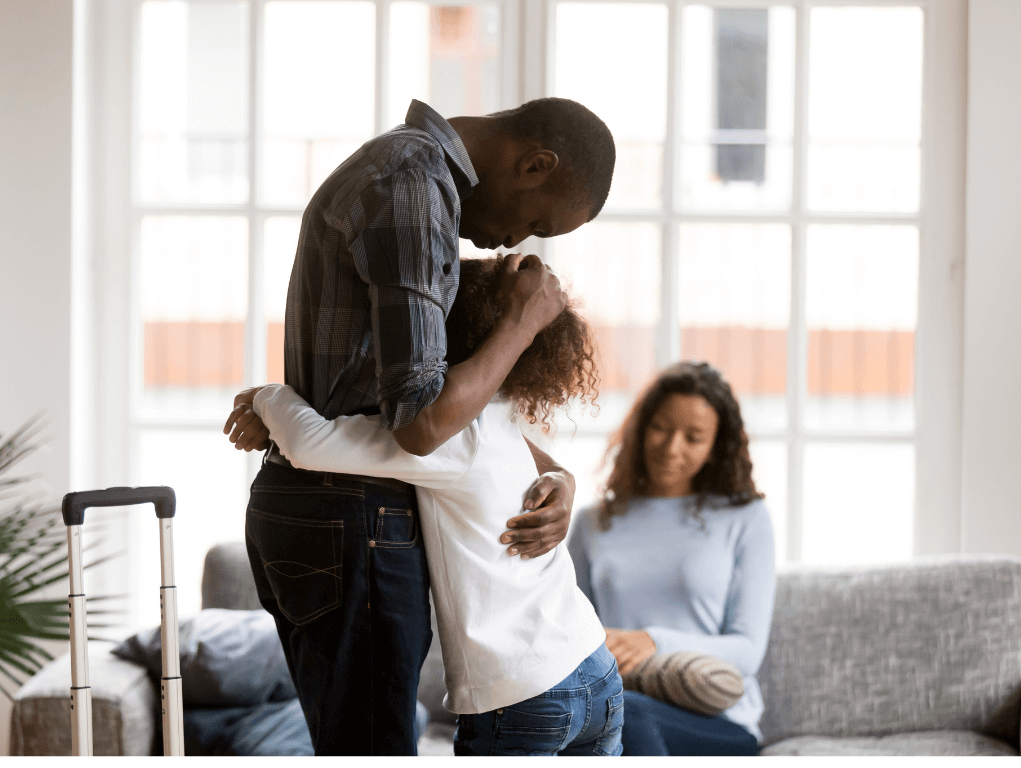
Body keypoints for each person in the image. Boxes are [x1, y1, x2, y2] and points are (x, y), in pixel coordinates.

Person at [223, 98, 615, 755]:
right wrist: (523, 323)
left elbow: (472, 431)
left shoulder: (413, 181)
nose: (517, 242)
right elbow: (423, 423)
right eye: (537, 220)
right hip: (349, 509)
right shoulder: (410, 188)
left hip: (344, 501)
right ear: (534, 164)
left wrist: (557, 472)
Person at [567, 361, 776, 756]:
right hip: (620, 701)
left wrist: (653, 641)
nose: (671, 447)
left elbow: (748, 650)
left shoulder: (745, 518)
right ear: (641, 428)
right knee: (599, 716)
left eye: (693, 437)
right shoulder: (593, 522)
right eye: (661, 428)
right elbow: (570, 631)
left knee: (626, 716)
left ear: (715, 448)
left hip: (718, 720)